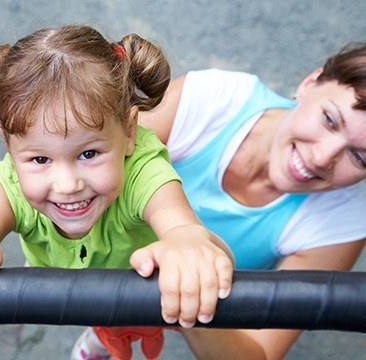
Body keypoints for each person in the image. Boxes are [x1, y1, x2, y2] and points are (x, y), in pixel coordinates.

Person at [0, 25, 234, 359]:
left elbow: (177, 222)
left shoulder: (144, 171)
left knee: (181, 302)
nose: (67, 185)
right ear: (8, 145)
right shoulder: (9, 185)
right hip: (83, 285)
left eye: (88, 154)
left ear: (130, 132)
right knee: (104, 325)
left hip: (145, 288)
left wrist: (186, 241)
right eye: (40, 159)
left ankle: (105, 339)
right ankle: (100, 340)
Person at [133, 41, 366, 359]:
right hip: (113, 247)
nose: (322, 157)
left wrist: (188, 287)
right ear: (310, 84)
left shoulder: (343, 220)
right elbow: (96, 164)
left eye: (359, 157)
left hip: (193, 297)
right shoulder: (211, 99)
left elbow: (258, 354)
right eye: (329, 119)